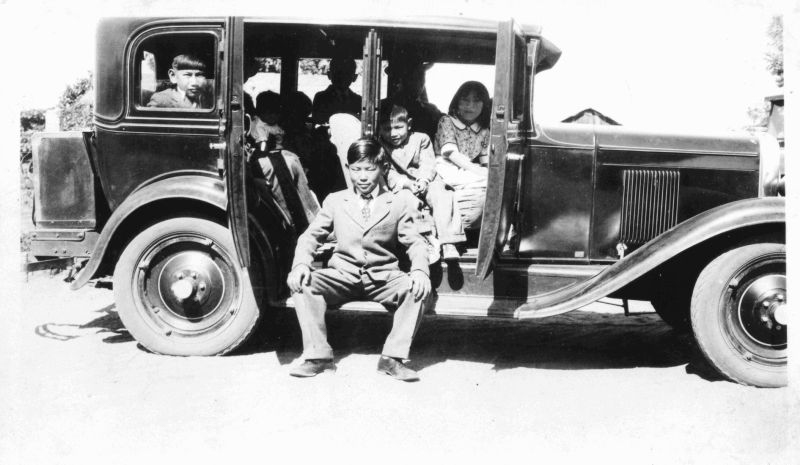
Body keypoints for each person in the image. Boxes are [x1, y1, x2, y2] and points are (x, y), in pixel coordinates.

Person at [287, 138, 431, 382]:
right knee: (302, 284)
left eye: (370, 169)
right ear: (348, 169)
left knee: (416, 289)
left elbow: (415, 242)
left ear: (383, 168)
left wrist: (420, 271)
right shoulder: (335, 200)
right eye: (356, 169)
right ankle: (318, 357)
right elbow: (310, 236)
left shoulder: (398, 202)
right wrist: (301, 264)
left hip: (383, 278)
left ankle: (392, 358)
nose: (362, 177)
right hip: (342, 276)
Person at [379, 104, 465, 260]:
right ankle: (426, 239)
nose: (393, 134)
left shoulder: (421, 139)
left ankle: (449, 242)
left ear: (409, 124)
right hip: (404, 185)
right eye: (387, 129)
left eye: (398, 127)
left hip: (427, 180)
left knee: (442, 194)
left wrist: (423, 180)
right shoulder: (381, 146)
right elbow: (388, 171)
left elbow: (428, 163)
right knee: (406, 201)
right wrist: (407, 184)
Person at [246, 91, 320, 230]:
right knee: (285, 163)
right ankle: (296, 218)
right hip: (261, 156)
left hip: (275, 153)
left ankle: (311, 212)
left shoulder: (275, 126)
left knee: (292, 160)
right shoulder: (259, 125)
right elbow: (262, 146)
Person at [434, 81, 492, 236]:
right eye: (465, 100)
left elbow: (484, 158)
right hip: (445, 167)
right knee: (481, 179)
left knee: (491, 181)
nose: (470, 106)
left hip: (466, 168)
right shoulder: (447, 121)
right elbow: (451, 154)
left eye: (476, 101)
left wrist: (487, 172)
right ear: (456, 101)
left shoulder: (484, 129)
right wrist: (478, 172)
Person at [280, 91, 347, 203]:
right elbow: (308, 155)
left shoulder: (302, 129)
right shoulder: (292, 133)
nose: (305, 119)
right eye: (303, 115)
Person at [381, 57, 442, 141]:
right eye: (413, 78)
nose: (420, 83)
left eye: (421, 77)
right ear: (399, 80)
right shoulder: (383, 108)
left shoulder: (431, 112)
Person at [311, 57, 362, 125]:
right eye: (338, 73)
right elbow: (317, 123)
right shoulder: (321, 98)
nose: (342, 77)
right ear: (329, 75)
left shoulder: (358, 100)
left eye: (347, 74)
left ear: (355, 77)